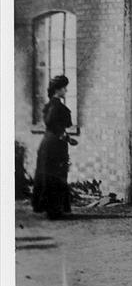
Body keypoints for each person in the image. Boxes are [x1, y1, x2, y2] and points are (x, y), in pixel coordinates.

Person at [32, 75, 77, 220]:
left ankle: (54, 208)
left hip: (52, 143)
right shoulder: (56, 105)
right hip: (53, 146)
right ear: (58, 90)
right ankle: (53, 209)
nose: (66, 91)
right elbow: (52, 123)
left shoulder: (51, 104)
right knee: (54, 175)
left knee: (53, 175)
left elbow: (55, 126)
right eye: (64, 88)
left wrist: (68, 138)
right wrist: (64, 136)